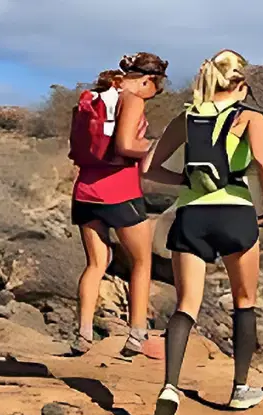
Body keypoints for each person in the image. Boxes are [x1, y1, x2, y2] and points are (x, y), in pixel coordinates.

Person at [142, 49, 263, 415]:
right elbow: (262, 165)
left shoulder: (186, 118)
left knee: (186, 304)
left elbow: (150, 170)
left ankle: (169, 386)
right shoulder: (249, 118)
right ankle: (240, 388)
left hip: (192, 215)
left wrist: (185, 181)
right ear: (241, 85)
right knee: (244, 301)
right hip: (235, 212)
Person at [68, 52, 169, 359]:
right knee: (141, 261)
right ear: (146, 81)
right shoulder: (132, 99)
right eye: (155, 90)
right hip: (119, 191)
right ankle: (136, 334)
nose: (152, 96)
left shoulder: (94, 96)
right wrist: (157, 145)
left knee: (96, 264)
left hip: (85, 191)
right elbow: (125, 145)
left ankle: (83, 333)